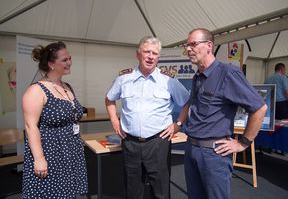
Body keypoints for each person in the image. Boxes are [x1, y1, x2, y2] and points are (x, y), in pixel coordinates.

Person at [183, 28, 267, 199]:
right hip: (191, 149)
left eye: (193, 44)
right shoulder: (198, 76)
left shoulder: (228, 73)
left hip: (213, 155)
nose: (189, 49)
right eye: (187, 45)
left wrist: (243, 142)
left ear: (209, 46)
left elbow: (259, 108)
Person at [105, 36, 190, 199]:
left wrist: (178, 124)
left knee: (161, 189)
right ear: (138, 54)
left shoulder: (169, 81)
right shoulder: (124, 79)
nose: (151, 56)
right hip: (130, 142)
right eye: (147, 52)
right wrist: (114, 121)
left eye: (155, 53)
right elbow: (109, 99)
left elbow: (186, 102)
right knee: (132, 188)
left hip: (158, 142)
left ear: (158, 57)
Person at [22, 41, 88, 198]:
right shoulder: (36, 90)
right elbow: (30, 126)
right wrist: (39, 158)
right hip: (50, 153)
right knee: (50, 194)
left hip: (70, 151)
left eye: (70, 58)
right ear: (51, 64)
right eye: (64, 60)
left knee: (68, 193)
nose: (69, 62)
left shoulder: (67, 87)